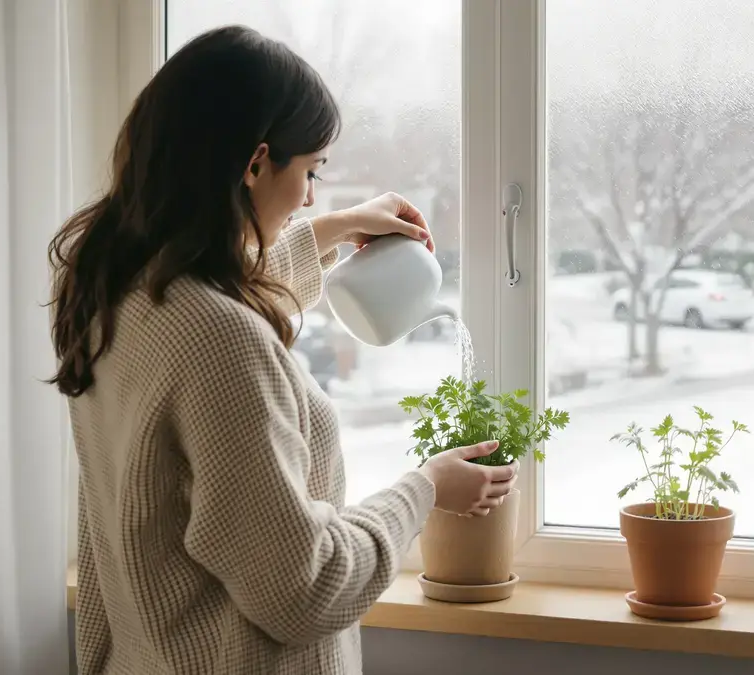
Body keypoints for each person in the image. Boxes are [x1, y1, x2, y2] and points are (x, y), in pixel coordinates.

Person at [48, 25, 517, 675]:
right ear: (255, 163)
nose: (311, 194)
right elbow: (307, 588)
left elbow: (212, 303)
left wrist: (333, 229)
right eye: (310, 171)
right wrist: (425, 488)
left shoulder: (110, 284)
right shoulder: (220, 341)